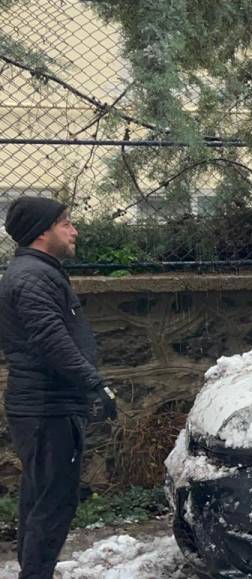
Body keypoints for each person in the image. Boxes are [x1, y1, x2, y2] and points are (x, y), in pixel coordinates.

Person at [0, 196, 117, 579]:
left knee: (41, 498)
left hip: (45, 405)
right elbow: (50, 338)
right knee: (53, 502)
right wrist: (94, 383)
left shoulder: (37, 271)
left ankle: (34, 572)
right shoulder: (33, 276)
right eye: (66, 223)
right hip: (46, 407)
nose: (74, 230)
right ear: (42, 232)